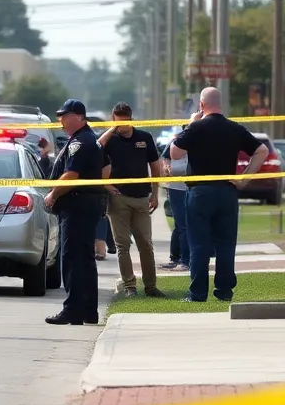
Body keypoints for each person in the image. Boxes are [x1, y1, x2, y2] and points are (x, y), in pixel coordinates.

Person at [170, 87, 268, 303]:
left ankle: (198, 293)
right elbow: (262, 150)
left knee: (199, 245)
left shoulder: (196, 128)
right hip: (226, 191)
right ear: (220, 104)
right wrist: (245, 177)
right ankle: (224, 292)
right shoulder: (234, 128)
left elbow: (174, 152)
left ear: (201, 105)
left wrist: (190, 124)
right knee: (225, 245)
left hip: (200, 192)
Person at [44, 99, 106, 325]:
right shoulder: (90, 139)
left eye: (65, 115)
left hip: (77, 205)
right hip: (87, 203)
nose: (60, 119)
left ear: (79, 116)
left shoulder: (80, 142)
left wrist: (53, 195)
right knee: (85, 259)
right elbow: (106, 169)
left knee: (72, 258)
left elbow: (71, 176)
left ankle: (72, 310)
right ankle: (89, 311)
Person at [97, 102, 165, 298]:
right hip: (118, 199)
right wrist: (106, 185)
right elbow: (95, 149)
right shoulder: (109, 139)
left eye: (125, 121)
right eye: (118, 122)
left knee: (145, 243)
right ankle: (129, 286)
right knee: (122, 245)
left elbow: (155, 165)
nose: (122, 126)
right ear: (113, 120)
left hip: (142, 197)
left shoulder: (144, 138)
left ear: (131, 119)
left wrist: (155, 192)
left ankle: (151, 286)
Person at [159, 118, 196, 272]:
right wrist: (167, 171)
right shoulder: (176, 141)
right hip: (177, 188)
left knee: (188, 225)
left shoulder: (201, 140)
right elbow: (165, 160)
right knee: (181, 225)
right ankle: (178, 259)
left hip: (194, 187)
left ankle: (187, 259)